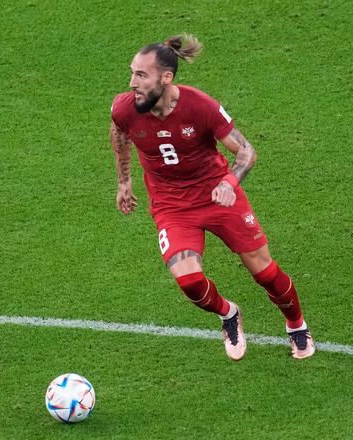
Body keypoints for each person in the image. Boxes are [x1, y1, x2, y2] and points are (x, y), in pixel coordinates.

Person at [109, 34, 315, 360]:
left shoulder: (200, 106)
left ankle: (296, 324)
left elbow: (246, 150)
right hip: (172, 206)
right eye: (132, 73)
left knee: (264, 272)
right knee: (189, 281)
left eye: (141, 75)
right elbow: (119, 132)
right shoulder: (125, 108)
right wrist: (124, 181)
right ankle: (228, 314)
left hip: (218, 197)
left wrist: (230, 182)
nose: (132, 82)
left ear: (166, 78)